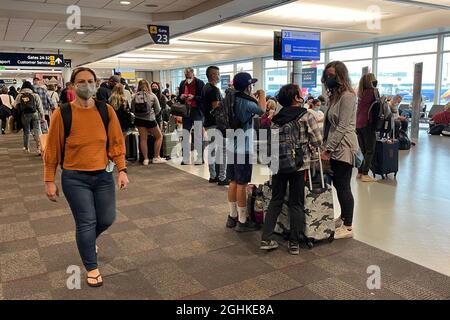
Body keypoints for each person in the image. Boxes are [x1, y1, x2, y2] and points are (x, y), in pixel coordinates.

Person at [43, 67, 129, 288]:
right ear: (72, 86)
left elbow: (116, 142)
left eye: (90, 81)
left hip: (103, 176)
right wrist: (49, 180)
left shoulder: (105, 110)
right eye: (81, 81)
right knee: (86, 222)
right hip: (75, 178)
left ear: (96, 83)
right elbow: (52, 149)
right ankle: (92, 267)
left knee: (107, 218)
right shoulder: (62, 114)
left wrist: (122, 170)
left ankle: (88, 241)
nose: (87, 85)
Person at [261, 84, 322, 254]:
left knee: (276, 200)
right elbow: (318, 141)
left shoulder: (276, 118)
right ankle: (294, 243)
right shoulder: (305, 116)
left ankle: (266, 238)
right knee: (296, 202)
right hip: (298, 165)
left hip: (278, 165)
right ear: (296, 98)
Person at [321, 61, 359, 240]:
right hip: (334, 146)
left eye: (332, 75)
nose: (329, 78)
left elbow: (343, 126)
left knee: (343, 186)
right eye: (327, 75)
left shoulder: (348, 96)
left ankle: (349, 226)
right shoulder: (335, 96)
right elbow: (329, 125)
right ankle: (343, 217)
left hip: (344, 147)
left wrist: (328, 149)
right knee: (338, 184)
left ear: (341, 75)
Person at [226, 72, 266, 232]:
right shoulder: (244, 101)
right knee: (242, 184)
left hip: (231, 146)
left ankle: (232, 216)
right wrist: (262, 94)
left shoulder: (230, 98)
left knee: (233, 182)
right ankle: (243, 221)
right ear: (247, 86)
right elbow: (262, 110)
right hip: (243, 148)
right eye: (251, 85)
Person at [202, 66, 228, 186]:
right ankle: (222, 177)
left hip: (207, 123)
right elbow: (216, 108)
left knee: (212, 150)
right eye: (218, 74)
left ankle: (213, 175)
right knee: (222, 151)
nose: (219, 76)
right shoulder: (214, 90)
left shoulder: (205, 88)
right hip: (216, 124)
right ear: (212, 75)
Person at [131, 80, 166, 165]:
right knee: (159, 136)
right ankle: (156, 157)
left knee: (143, 139)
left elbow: (132, 109)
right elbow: (158, 110)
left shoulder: (135, 96)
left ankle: (145, 159)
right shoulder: (152, 95)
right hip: (150, 119)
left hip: (139, 120)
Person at [177, 67, 205, 165]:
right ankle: (185, 158)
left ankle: (200, 157)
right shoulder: (182, 83)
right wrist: (181, 97)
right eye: (186, 75)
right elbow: (179, 98)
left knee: (198, 135)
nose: (187, 77)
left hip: (197, 111)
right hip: (186, 111)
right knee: (185, 134)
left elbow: (203, 97)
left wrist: (194, 97)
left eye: (189, 75)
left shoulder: (200, 83)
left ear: (193, 74)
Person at [356, 73, 378, 182]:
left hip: (358, 123)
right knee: (370, 149)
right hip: (368, 124)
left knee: (362, 149)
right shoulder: (372, 92)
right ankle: (365, 173)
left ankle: (360, 172)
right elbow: (379, 105)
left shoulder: (360, 92)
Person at [15, 81, 45, 154]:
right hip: (35, 114)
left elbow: (15, 105)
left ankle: (26, 148)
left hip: (25, 115)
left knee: (26, 131)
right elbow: (40, 107)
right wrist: (42, 116)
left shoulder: (19, 95)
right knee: (37, 130)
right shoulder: (35, 95)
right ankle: (39, 148)